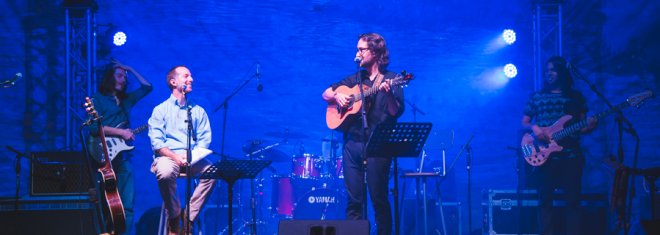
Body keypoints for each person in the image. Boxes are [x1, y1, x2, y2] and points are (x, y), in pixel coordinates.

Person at [322, 33, 405, 235]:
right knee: (354, 201)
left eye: (361, 49)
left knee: (379, 199)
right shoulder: (355, 78)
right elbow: (325, 94)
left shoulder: (393, 79)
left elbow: (396, 112)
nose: (357, 53)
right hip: (352, 145)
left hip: (378, 146)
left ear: (375, 52)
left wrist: (387, 94)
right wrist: (339, 95)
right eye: (357, 49)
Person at [521, 56, 596, 235]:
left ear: (562, 72)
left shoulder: (576, 98)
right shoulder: (537, 97)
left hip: (571, 156)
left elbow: (581, 128)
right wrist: (535, 128)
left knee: (573, 202)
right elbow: (523, 122)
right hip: (545, 157)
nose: (549, 73)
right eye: (546, 70)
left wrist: (591, 125)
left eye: (553, 70)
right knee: (545, 201)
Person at [148, 65, 215, 235]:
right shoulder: (160, 110)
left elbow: (204, 140)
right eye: (186, 76)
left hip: (193, 158)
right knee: (164, 172)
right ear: (173, 82)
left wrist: (192, 156)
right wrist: (175, 156)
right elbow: (157, 143)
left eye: (191, 76)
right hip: (168, 156)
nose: (191, 79)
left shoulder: (197, 111)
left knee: (213, 172)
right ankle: (175, 214)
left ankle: (188, 218)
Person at [89, 60, 152, 234]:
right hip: (102, 156)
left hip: (122, 157)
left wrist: (130, 68)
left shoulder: (126, 100)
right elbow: (93, 128)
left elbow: (147, 87)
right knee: (104, 203)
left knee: (127, 204)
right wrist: (120, 133)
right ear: (110, 78)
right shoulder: (97, 99)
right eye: (119, 75)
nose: (123, 79)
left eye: (125, 76)